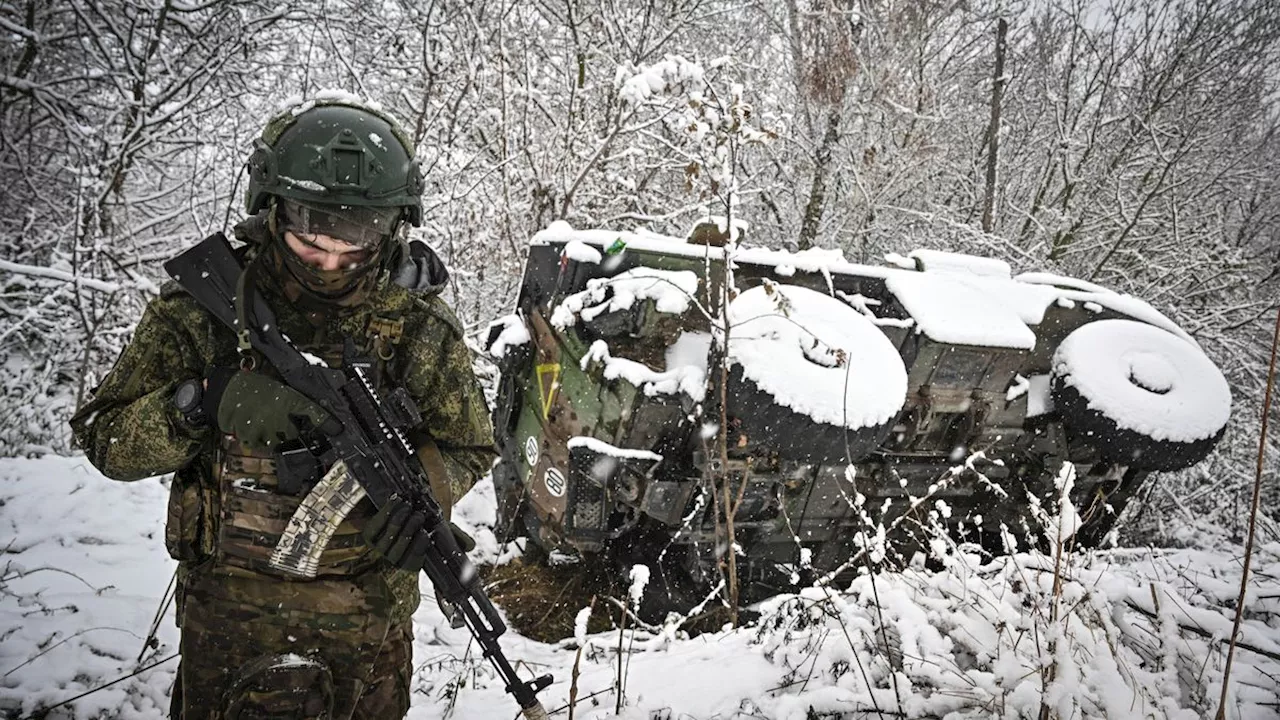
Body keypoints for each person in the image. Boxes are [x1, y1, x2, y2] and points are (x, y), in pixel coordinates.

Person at [70, 97, 496, 719]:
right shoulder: (203, 310)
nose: (329, 260)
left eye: (357, 241)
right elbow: (105, 439)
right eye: (310, 234)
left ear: (394, 226)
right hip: (230, 619)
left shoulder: (417, 327)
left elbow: (471, 445)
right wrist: (201, 403)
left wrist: (420, 499)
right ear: (269, 207)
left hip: (370, 623)